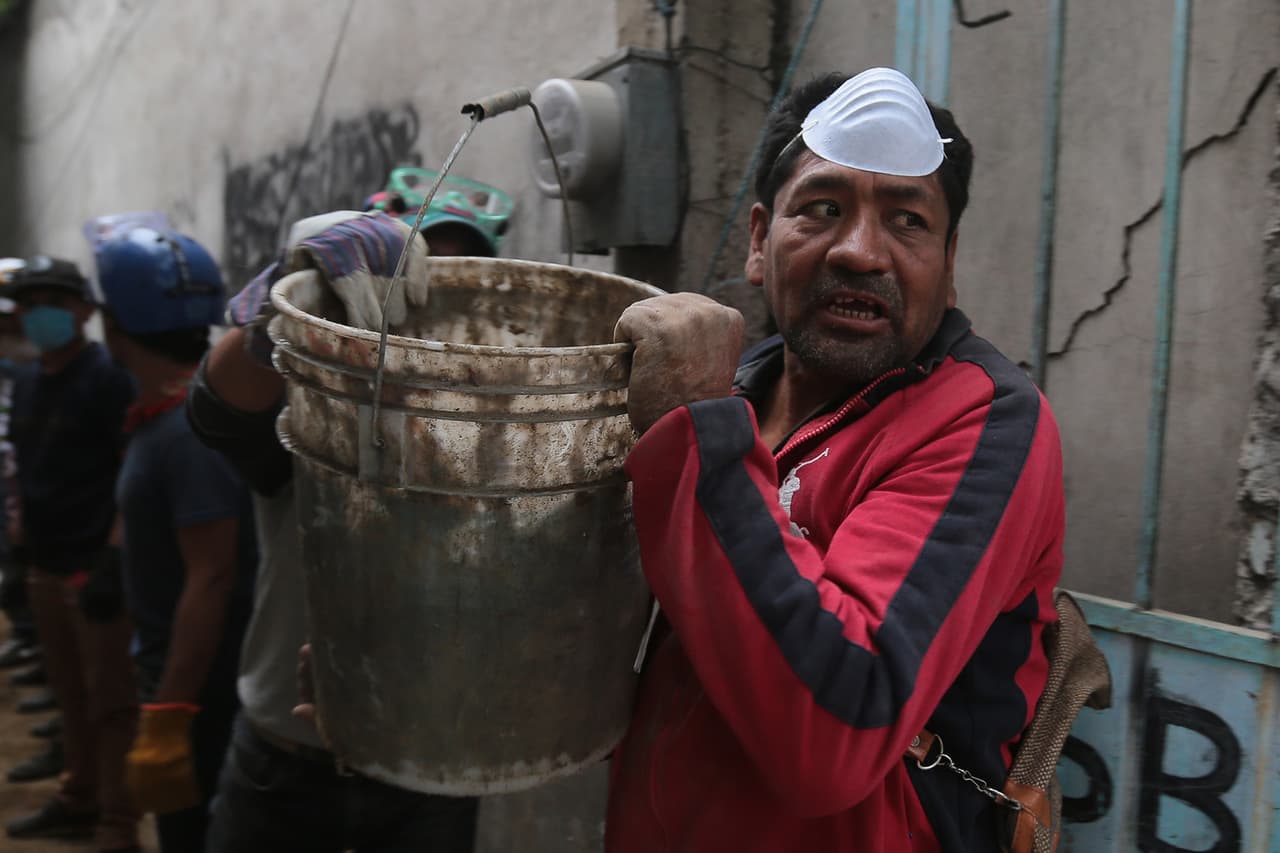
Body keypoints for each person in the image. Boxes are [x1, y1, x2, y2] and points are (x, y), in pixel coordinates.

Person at [605, 68, 1065, 851]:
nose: (859, 252)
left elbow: (834, 731)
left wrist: (697, 431)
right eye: (823, 208)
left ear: (948, 262)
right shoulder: (731, 394)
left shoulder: (982, 417)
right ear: (758, 240)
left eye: (907, 221)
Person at [189, 197, 502, 853]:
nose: (427, 296)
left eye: (452, 277)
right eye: (416, 274)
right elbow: (217, 410)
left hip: (430, 769)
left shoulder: (499, 440)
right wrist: (281, 311)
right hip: (282, 760)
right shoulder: (316, 407)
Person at [91, 224, 257, 852]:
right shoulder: (166, 414)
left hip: (201, 690)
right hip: (181, 674)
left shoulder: (188, 429)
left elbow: (210, 577)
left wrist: (170, 711)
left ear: (115, 323)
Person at [1, 256, 141, 852]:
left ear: (84, 309)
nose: (40, 315)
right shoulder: (32, 379)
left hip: (92, 567)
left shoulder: (107, 378)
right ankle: (78, 796)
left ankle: (118, 824)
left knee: (110, 702)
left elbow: (130, 472)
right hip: (46, 563)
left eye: (53, 301)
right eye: (30, 304)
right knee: (70, 696)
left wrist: (111, 557)